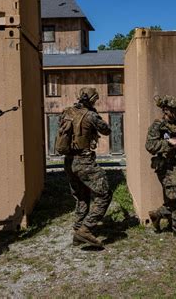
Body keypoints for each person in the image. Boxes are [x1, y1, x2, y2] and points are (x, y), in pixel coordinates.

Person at [63, 87, 112, 248]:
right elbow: (106, 130)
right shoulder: (91, 115)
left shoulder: (67, 112)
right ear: (91, 100)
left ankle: (77, 232)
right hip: (84, 161)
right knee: (104, 193)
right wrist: (94, 112)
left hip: (69, 162)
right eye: (95, 100)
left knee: (81, 196)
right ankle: (86, 229)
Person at [145, 95, 176, 241]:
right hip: (165, 167)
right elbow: (150, 146)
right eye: (174, 110)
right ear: (166, 110)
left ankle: (157, 214)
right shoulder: (158, 125)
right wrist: (168, 143)